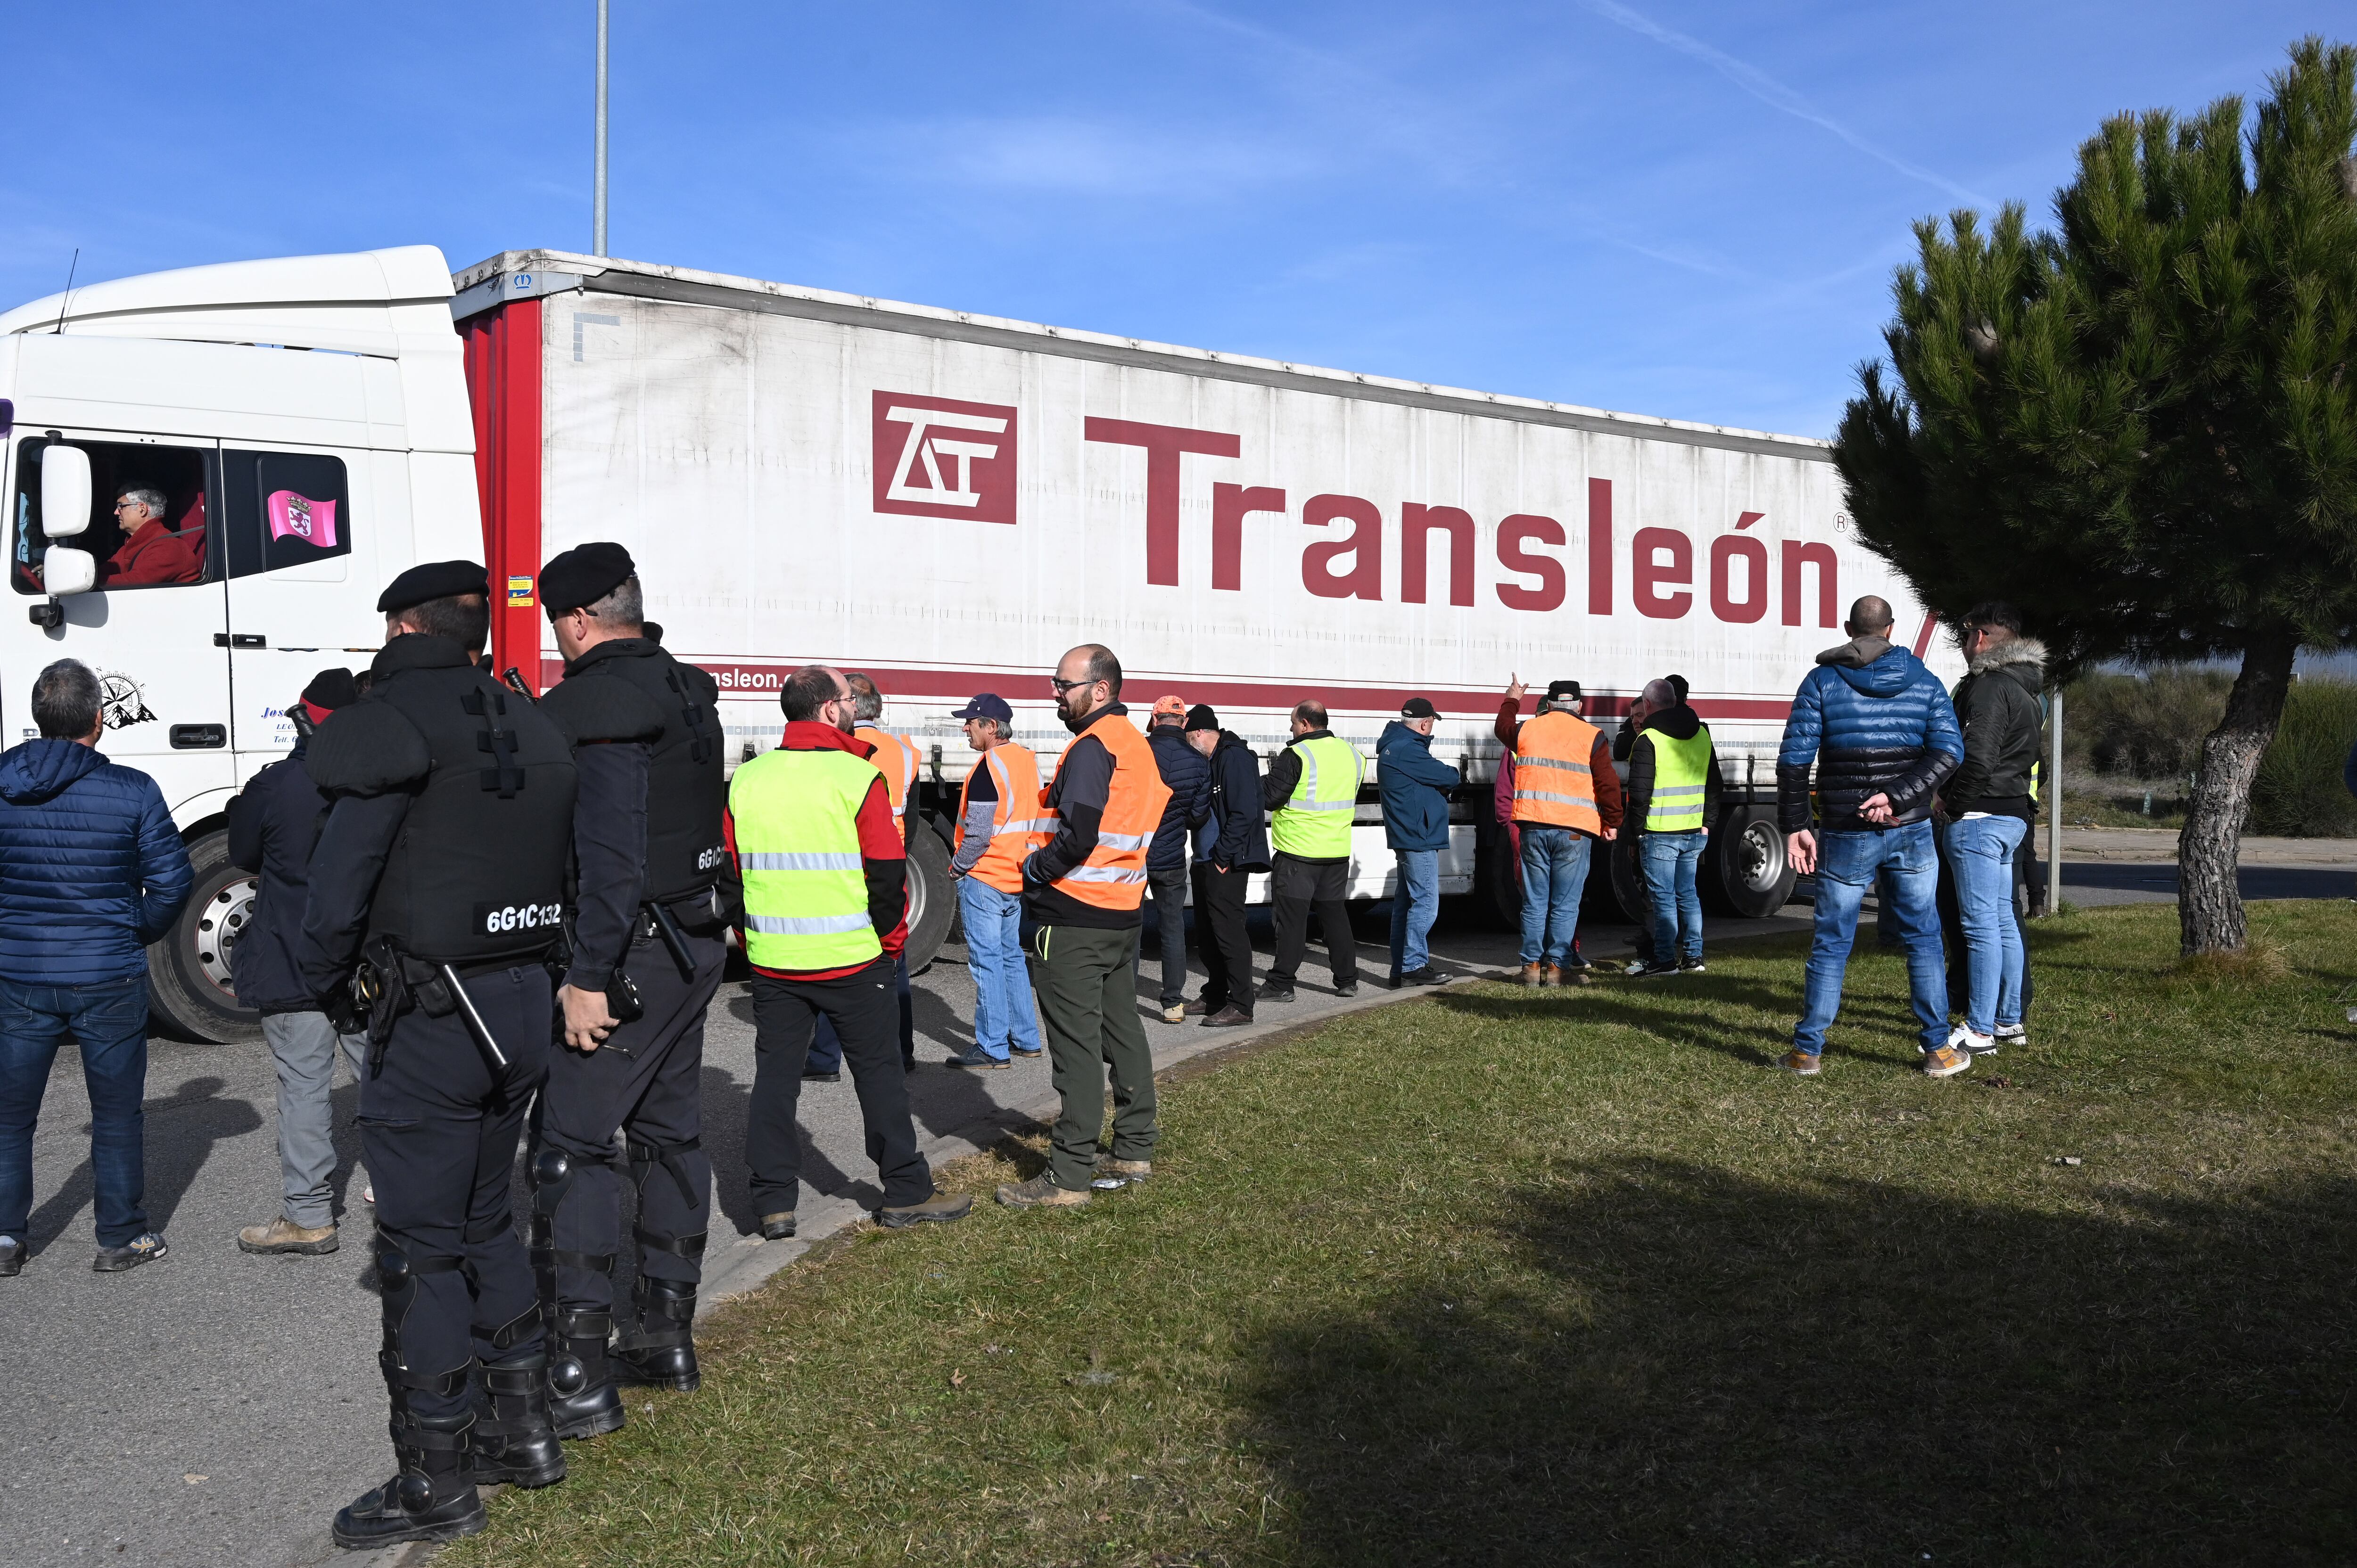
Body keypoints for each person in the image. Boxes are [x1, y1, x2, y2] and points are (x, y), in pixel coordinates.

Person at [298, 562, 579, 1543]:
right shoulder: (528, 714)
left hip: (434, 1012)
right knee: (488, 1222)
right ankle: (526, 1433)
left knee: (422, 1255)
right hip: (520, 1002)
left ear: (401, 623)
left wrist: (319, 977)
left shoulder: (394, 716)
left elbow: (338, 881)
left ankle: (436, 1482)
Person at [526, 543, 734, 1443]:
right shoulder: (686, 688)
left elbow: (610, 858)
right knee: (668, 1133)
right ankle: (665, 1335)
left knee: (571, 1143)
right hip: (690, 939)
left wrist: (587, 977)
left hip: (634, 952)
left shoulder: (598, 704)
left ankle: (576, 1374)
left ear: (575, 621)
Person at [733, 666, 971, 1238]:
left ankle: (773, 1204)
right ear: (829, 710)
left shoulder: (748, 779)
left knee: (775, 1081)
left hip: (774, 962)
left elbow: (732, 874)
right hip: (852, 959)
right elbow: (888, 877)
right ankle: (906, 1193)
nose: (852, 705)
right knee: (880, 1077)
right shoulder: (858, 775)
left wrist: (751, 941)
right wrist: (889, 945)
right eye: (846, 698)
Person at [0, 658, 192, 1281]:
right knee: (115, 1111)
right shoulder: (132, 790)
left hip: (20, 971)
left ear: (39, 716)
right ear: (99, 720)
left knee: (10, 1115)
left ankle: (6, 1238)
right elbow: (171, 880)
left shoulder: (3, 779)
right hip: (108, 971)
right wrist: (135, 929)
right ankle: (120, 1236)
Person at [997, 644, 1172, 1208]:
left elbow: (1079, 836)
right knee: (1123, 1032)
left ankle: (1068, 1177)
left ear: (1100, 689)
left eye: (1062, 683)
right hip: (1121, 914)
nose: (1055, 691)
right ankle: (1134, 1147)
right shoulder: (1135, 745)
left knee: (1075, 1048)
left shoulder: (1093, 747)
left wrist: (1034, 872)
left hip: (1073, 919)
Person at [1776, 595, 1964, 1078]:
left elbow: (1794, 760)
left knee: (1831, 941)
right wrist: (1898, 797)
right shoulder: (1924, 681)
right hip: (1911, 829)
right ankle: (1937, 1051)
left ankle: (1806, 1052)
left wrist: (1797, 825)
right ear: (1890, 629)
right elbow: (1948, 753)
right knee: (1923, 937)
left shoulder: (1821, 681)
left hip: (1844, 830)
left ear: (1847, 628)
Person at [229, 666, 367, 1257]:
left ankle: (309, 1216)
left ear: (303, 720)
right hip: (366, 961)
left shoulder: (276, 786)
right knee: (387, 1076)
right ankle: (402, 1191)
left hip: (292, 954)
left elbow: (242, 854)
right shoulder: (378, 783)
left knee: (304, 1088)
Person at [1936, 602, 2045, 1056]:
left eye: (1966, 636)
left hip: (1978, 818)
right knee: (2002, 922)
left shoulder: (1987, 686)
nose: (1964, 646)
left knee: (1980, 927)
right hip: (2012, 815)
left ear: (1980, 638)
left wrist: (1953, 806)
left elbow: (1977, 757)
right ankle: (2009, 1020)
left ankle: (1980, 1029)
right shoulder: (2027, 689)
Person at [806, 673, 918, 1078]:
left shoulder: (842, 753)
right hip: (893, 860)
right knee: (895, 962)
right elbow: (913, 816)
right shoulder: (905, 750)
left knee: (835, 956)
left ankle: (824, 1058)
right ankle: (902, 1050)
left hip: (849, 862)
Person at [943, 693, 1048, 1068]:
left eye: (971, 722)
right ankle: (1026, 1039)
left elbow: (979, 832)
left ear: (991, 726)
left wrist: (957, 867)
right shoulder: (1027, 761)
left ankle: (992, 1047)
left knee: (987, 963)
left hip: (984, 876)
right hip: (1013, 876)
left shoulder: (989, 766)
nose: (965, 728)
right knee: (1012, 960)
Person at [1496, 678, 1622, 985]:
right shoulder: (1592, 736)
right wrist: (1612, 822)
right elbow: (1608, 783)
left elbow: (1502, 728)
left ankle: (1530, 968)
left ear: (1549, 705)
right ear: (1580, 706)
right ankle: (1556, 970)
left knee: (1535, 901)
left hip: (1533, 827)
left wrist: (1512, 699)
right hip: (1574, 831)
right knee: (1565, 902)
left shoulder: (1528, 729)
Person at [1259, 700, 1363, 1003]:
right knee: (1335, 918)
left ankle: (1281, 984)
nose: (1291, 729)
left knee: (1291, 921)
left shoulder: (1297, 754)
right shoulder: (1353, 754)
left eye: (1293, 723)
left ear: (1305, 724)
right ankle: (1347, 981)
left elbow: (1271, 797)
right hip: (1337, 851)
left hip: (1299, 852)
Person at [1623, 678, 1723, 977]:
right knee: (1688, 895)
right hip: (1693, 831)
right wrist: (1708, 824)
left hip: (1658, 833)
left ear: (1649, 705)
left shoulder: (1648, 740)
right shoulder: (1702, 735)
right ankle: (1693, 958)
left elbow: (1639, 795)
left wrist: (1636, 832)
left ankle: (1664, 961)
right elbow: (1715, 785)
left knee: (1663, 898)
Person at [1185, 705, 1267, 1027]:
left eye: (1190, 736)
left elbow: (1245, 812)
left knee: (1229, 932)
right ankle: (1216, 993)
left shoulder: (1234, 757)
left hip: (1227, 862)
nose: (1189, 743)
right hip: (1206, 860)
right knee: (1208, 934)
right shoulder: (1212, 758)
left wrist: (1222, 857)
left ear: (1203, 731)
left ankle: (1242, 1004)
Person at [1377, 698, 1459, 988]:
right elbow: (1448, 775)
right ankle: (1413, 966)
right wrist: (1446, 779)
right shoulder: (1408, 750)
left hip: (1410, 834)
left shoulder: (1396, 745)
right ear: (1426, 724)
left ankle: (1401, 969)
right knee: (1425, 903)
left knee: (1406, 905)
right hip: (1418, 836)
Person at [1143, 694, 1211, 1023]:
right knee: (1172, 928)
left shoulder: (1138, 752)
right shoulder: (1199, 762)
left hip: (1134, 855)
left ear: (1154, 719)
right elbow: (1198, 817)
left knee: (1128, 928)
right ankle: (1172, 1003)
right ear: (1185, 723)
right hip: (1170, 856)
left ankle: (1123, 1001)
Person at [100, 484, 204, 586]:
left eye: (121, 506)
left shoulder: (169, 547)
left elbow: (135, 583)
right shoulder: (133, 545)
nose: (116, 512)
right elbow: (107, 569)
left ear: (142, 509)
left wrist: (94, 583)